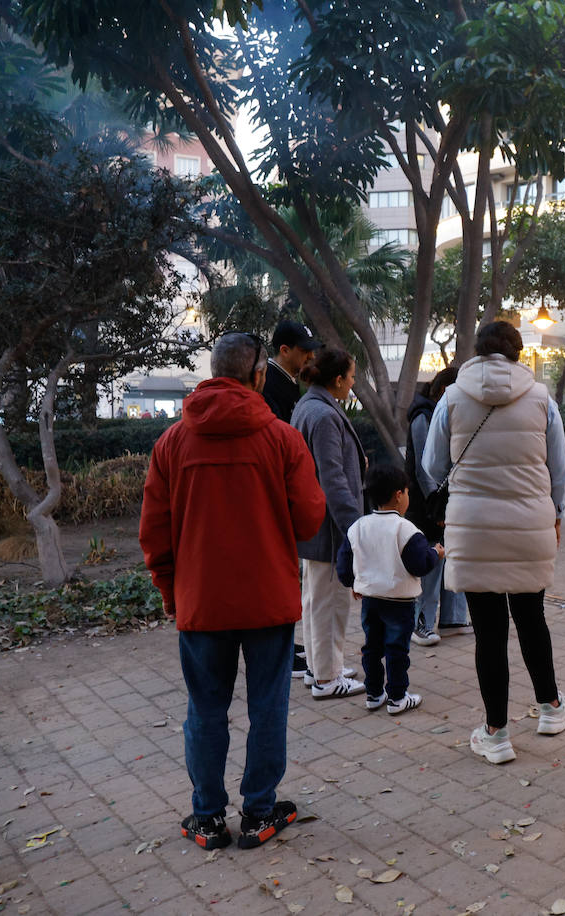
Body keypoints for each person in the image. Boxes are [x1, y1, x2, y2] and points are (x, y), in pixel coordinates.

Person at [139, 332, 326, 850]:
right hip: (267, 599)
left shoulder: (173, 443)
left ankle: (207, 818)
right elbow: (310, 518)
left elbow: (154, 533)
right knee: (269, 706)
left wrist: (171, 591)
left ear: (213, 372)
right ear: (259, 376)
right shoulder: (283, 440)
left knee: (205, 709)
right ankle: (260, 814)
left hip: (201, 603)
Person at [423, 320, 565, 765]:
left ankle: (496, 734)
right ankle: (550, 709)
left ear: (477, 352)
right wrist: (556, 515)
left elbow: (433, 465)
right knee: (532, 617)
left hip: (472, 529)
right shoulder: (541, 398)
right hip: (530, 525)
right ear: (516, 354)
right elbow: (560, 470)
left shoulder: (451, 398)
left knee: (488, 631)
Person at [291, 348, 367, 701]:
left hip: (317, 523)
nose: (353, 383)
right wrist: (355, 529)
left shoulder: (311, 405)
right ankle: (327, 676)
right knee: (329, 602)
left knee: (316, 599)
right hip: (331, 525)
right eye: (352, 377)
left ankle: (320, 666)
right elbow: (333, 479)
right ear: (338, 380)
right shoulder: (322, 415)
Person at [335, 466, 442, 715]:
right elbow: (419, 564)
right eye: (406, 492)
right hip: (400, 601)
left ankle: (373, 693)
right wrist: (435, 554)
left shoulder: (358, 527)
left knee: (372, 647)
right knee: (396, 648)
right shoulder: (405, 529)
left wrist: (353, 583)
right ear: (398, 495)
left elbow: (344, 563)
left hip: (370, 599)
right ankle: (397, 696)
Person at [262, 319, 322, 681]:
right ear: (284, 350)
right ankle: (283, 651)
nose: (309, 357)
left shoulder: (283, 383)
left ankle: (287, 646)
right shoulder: (272, 384)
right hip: (277, 494)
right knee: (282, 575)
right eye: (304, 351)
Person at [405, 367, 471, 646]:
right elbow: (424, 467)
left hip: (445, 499)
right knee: (432, 561)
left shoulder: (439, 413)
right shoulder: (423, 416)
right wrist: (437, 505)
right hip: (428, 503)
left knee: (452, 554)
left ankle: (453, 618)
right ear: (444, 391)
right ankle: (422, 622)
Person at [263, 320, 321, 424]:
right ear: (285, 351)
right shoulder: (267, 383)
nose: (312, 356)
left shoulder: (286, 380)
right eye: (305, 350)